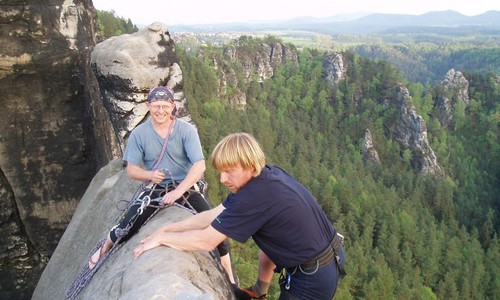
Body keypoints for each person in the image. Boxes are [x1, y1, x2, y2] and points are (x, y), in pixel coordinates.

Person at [134, 132, 346, 300]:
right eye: (220, 171)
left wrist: (162, 239)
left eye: (229, 171)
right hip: (329, 260)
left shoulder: (254, 196)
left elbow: (206, 240)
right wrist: (167, 229)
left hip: (312, 278)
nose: (222, 179)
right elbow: (211, 215)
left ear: (250, 165)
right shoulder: (267, 176)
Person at [89, 86, 235, 284]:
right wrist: (149, 174)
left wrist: (178, 192)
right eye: (156, 106)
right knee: (128, 223)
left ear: (172, 106)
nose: (160, 111)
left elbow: (199, 165)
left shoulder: (186, 130)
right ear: (148, 106)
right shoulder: (139, 134)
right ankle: (104, 247)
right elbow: (131, 170)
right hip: (156, 188)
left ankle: (229, 273)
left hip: (186, 186)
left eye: (165, 106)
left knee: (216, 224)